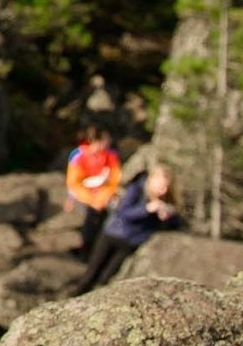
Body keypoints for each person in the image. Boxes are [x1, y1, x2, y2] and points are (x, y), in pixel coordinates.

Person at [75, 166, 180, 294]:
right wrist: (146, 209)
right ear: (152, 180)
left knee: (106, 278)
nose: (162, 191)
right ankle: (74, 297)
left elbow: (167, 225)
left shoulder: (165, 200)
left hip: (130, 243)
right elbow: (124, 212)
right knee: (91, 274)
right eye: (161, 186)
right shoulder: (136, 190)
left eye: (166, 188)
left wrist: (166, 218)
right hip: (112, 235)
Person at [66, 125, 125, 258]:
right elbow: (74, 184)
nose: (108, 142)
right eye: (105, 139)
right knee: (89, 216)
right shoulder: (78, 155)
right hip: (83, 196)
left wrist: (102, 198)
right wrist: (92, 200)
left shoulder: (111, 155)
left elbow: (115, 180)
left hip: (104, 195)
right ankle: (85, 249)